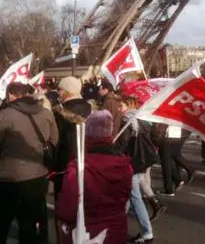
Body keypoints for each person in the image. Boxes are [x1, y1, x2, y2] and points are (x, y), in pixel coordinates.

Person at [56, 110, 133, 244]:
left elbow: (67, 210)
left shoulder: (78, 166)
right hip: (115, 230)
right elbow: (125, 198)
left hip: (85, 233)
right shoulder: (125, 165)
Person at [0, 82, 58, 244]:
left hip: (8, 178)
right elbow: (54, 140)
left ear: (11, 95)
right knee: (31, 225)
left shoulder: (5, 115)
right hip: (38, 176)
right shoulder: (46, 113)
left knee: (3, 222)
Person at [52, 76, 91, 243]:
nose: (58, 93)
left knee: (63, 208)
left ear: (67, 92)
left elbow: (55, 140)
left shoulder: (59, 112)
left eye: (60, 90)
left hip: (64, 165)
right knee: (83, 205)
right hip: (88, 163)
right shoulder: (92, 108)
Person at [115, 96, 157, 243]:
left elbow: (123, 143)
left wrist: (114, 153)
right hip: (142, 160)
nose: (119, 109)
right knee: (127, 196)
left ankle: (147, 233)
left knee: (135, 197)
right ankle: (117, 227)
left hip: (132, 161)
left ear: (129, 105)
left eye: (121, 106)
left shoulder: (128, 120)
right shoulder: (143, 118)